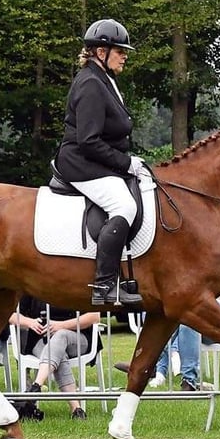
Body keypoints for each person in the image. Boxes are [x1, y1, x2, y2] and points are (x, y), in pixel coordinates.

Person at [115, 213, 220, 391]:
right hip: (217, 317)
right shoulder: (219, 258)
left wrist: (198, 299)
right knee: (175, 313)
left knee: (192, 310)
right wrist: (197, 299)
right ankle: (152, 367)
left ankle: (187, 379)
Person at [54, 18, 143, 307]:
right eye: (119, 51)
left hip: (97, 162)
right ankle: (104, 284)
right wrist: (125, 163)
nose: (124, 56)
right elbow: (88, 141)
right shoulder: (91, 83)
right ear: (100, 52)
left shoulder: (105, 80)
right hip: (82, 163)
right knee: (124, 205)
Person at [11, 295, 101, 419]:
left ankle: (35, 387)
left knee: (60, 335)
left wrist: (61, 325)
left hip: (78, 338)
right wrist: (30, 322)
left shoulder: (75, 283)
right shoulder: (33, 284)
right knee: (58, 353)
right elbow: (11, 315)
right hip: (41, 340)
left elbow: (94, 316)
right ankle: (77, 409)